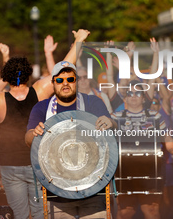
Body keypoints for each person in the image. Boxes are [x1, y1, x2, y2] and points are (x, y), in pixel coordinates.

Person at [0, 29, 91, 219]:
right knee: (40, 214)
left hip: (10, 165)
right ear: (28, 74)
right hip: (37, 162)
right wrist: (78, 41)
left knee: (18, 215)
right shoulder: (40, 90)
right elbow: (64, 68)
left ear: (7, 76)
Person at [25, 61, 117, 219]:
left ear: (77, 81)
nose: (65, 84)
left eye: (70, 79)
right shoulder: (41, 108)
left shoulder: (92, 102)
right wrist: (34, 133)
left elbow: (111, 128)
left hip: (93, 189)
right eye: (60, 80)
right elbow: (28, 138)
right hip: (56, 192)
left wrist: (111, 123)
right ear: (53, 83)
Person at [111, 80, 173, 219]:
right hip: (125, 171)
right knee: (126, 212)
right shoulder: (116, 117)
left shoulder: (154, 116)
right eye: (130, 93)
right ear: (125, 97)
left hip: (150, 171)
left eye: (138, 93)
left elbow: (167, 140)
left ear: (144, 98)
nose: (133, 96)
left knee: (151, 211)